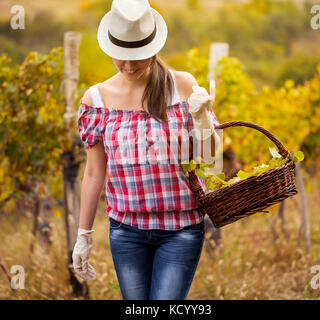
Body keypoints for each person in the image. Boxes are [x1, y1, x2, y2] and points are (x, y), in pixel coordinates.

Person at [72, 0, 222, 300]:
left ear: (153, 49)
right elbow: (93, 173)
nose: (128, 66)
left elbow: (211, 158)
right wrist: (83, 234)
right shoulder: (97, 100)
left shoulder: (182, 86)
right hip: (126, 232)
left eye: (136, 57)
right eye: (121, 57)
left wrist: (204, 118)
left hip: (181, 228)